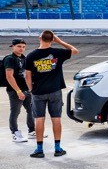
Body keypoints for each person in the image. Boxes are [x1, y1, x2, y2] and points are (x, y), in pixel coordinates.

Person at [24, 30, 78, 158]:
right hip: (55, 91)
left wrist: (31, 89)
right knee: (56, 118)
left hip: (38, 91)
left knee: (39, 119)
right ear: (52, 39)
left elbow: (27, 76)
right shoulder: (58, 53)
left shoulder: (31, 55)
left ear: (40, 38)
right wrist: (59, 41)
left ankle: (39, 149)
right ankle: (57, 148)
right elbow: (74, 50)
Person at [4, 39, 35, 142]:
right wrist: (18, 91)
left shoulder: (24, 58)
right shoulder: (10, 59)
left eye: (23, 47)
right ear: (12, 46)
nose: (21, 48)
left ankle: (32, 131)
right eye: (19, 46)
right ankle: (15, 134)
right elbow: (9, 76)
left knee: (31, 110)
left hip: (27, 90)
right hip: (15, 91)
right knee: (15, 112)